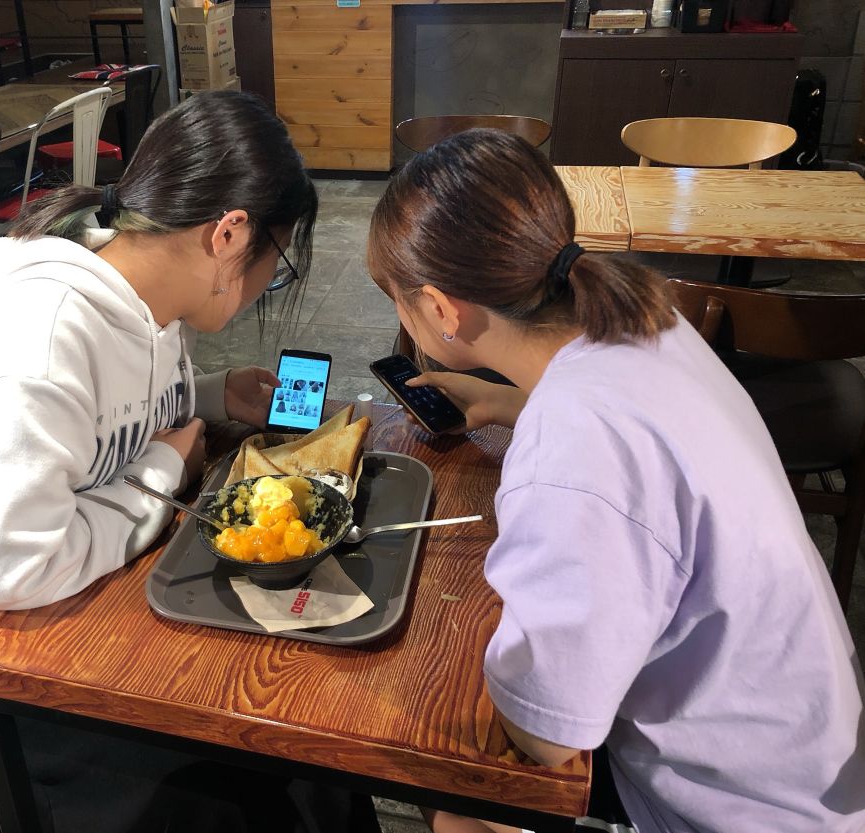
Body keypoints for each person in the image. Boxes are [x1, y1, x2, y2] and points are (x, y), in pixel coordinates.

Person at [0, 91, 380, 833]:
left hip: (79, 600)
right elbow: (6, 570)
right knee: (243, 788)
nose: (262, 290)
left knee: (314, 758)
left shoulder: (147, 299)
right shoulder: (38, 341)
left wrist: (214, 394)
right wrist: (159, 470)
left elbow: (117, 419)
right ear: (228, 234)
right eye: (273, 268)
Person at [366, 128, 865, 833]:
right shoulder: (642, 316)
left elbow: (547, 732)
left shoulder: (574, 452)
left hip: (736, 809)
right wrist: (508, 403)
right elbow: (639, 449)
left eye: (399, 298)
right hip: (809, 750)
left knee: (458, 794)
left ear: (441, 310)